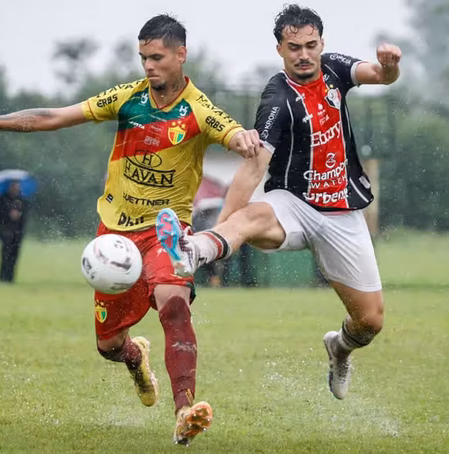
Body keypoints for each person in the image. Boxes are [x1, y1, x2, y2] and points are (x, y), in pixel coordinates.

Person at [0, 14, 262, 446]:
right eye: (143, 57)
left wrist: (243, 139)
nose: (148, 65)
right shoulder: (127, 98)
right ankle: (136, 359)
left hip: (167, 233)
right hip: (115, 238)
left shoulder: (199, 110)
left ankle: (184, 410)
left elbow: (232, 132)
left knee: (174, 305)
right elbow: (53, 117)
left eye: (157, 57)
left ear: (181, 55)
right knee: (109, 346)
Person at [155, 4, 401, 401]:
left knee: (370, 322)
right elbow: (253, 168)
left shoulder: (335, 69)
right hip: (293, 204)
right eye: (293, 47)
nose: (303, 54)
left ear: (321, 43)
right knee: (250, 217)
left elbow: (380, 76)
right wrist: (222, 231)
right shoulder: (277, 98)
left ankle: (339, 348)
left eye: (310, 45)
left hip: (342, 213)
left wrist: (390, 66)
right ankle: (193, 250)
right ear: (280, 50)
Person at [0, 180, 28, 283]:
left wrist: (19, 215)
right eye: (14, 186)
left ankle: (10, 277)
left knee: (14, 255)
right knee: (5, 254)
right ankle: (2, 277)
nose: (16, 188)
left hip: (17, 232)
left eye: (17, 186)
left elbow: (25, 215)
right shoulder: (2, 199)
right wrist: (8, 214)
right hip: (5, 231)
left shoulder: (21, 200)